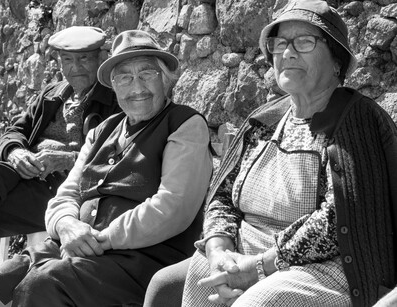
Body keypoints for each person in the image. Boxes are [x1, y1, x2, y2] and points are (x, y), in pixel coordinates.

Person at [145, 1, 397, 307]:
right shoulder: (264, 120)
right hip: (245, 250)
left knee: (256, 303)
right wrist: (218, 251)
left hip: (323, 265)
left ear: (337, 62)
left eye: (305, 42)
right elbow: (221, 197)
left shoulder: (356, 119)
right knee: (176, 284)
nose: (288, 53)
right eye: (279, 44)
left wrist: (261, 267)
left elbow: (336, 221)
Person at [0, 29, 213, 306]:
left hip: (143, 260)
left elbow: (173, 206)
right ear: (114, 86)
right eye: (125, 77)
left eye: (147, 74)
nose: (137, 87)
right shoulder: (102, 130)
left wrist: (98, 240)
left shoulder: (184, 124)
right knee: (6, 277)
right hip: (81, 250)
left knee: (44, 284)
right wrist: (66, 225)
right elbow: (68, 193)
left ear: (166, 79)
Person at [0, 26, 121, 307]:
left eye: (84, 59)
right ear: (59, 62)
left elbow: (113, 156)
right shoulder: (52, 94)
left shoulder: (114, 100)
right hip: (27, 183)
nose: (75, 68)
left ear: (100, 58)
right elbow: (12, 132)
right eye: (67, 60)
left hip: (66, 196)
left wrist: (67, 159)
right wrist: (16, 153)